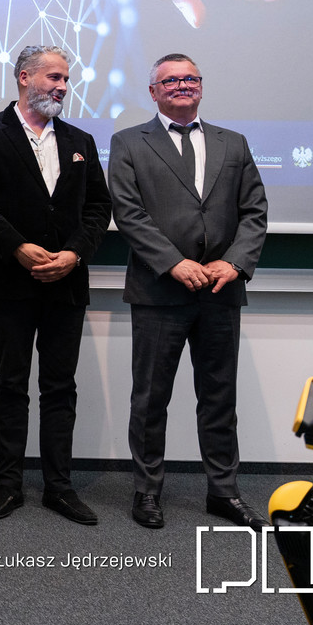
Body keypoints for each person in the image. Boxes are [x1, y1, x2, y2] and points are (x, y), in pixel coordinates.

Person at [109, 52, 268, 529]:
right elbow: (128, 213)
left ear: (201, 85)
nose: (182, 85)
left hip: (220, 291)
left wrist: (234, 263)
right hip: (159, 291)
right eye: (170, 80)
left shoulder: (233, 143)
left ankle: (224, 492)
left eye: (190, 78)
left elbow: (254, 211)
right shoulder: (128, 142)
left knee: (220, 398)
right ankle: (147, 492)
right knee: (150, 399)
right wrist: (173, 263)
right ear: (153, 91)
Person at [0, 45, 111, 526]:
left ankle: (59, 488)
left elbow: (98, 207)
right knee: (10, 383)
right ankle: (7, 484)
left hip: (66, 282)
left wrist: (74, 253)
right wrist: (17, 247)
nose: (63, 86)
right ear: (24, 77)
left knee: (60, 386)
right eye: (54, 77)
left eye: (66, 78)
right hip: (9, 279)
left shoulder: (80, 139)